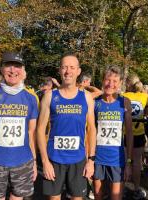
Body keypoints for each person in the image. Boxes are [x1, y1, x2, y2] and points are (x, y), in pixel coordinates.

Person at [37, 53, 96, 200]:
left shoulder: (86, 97)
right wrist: (45, 161)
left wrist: (91, 160)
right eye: (64, 67)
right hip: (54, 160)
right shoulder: (50, 96)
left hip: (78, 161)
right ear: (59, 70)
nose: (68, 71)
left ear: (78, 71)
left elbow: (92, 129)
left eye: (72, 67)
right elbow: (39, 130)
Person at [0, 52, 38, 200]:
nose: (13, 70)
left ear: (23, 70)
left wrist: (34, 162)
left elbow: (31, 134)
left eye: (17, 66)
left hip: (23, 162)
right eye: (8, 65)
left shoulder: (32, 98)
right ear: (2, 69)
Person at [93, 66, 133, 200]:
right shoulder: (95, 102)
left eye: (115, 81)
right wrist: (89, 159)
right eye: (107, 80)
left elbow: (129, 133)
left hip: (117, 159)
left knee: (116, 197)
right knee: (98, 195)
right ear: (103, 80)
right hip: (98, 157)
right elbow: (90, 132)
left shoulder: (124, 102)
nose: (110, 84)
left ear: (120, 83)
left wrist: (128, 162)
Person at [122, 78, 148, 200]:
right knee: (137, 162)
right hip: (138, 133)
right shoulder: (146, 96)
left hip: (124, 133)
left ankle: (121, 189)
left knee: (123, 161)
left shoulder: (123, 96)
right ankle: (136, 189)